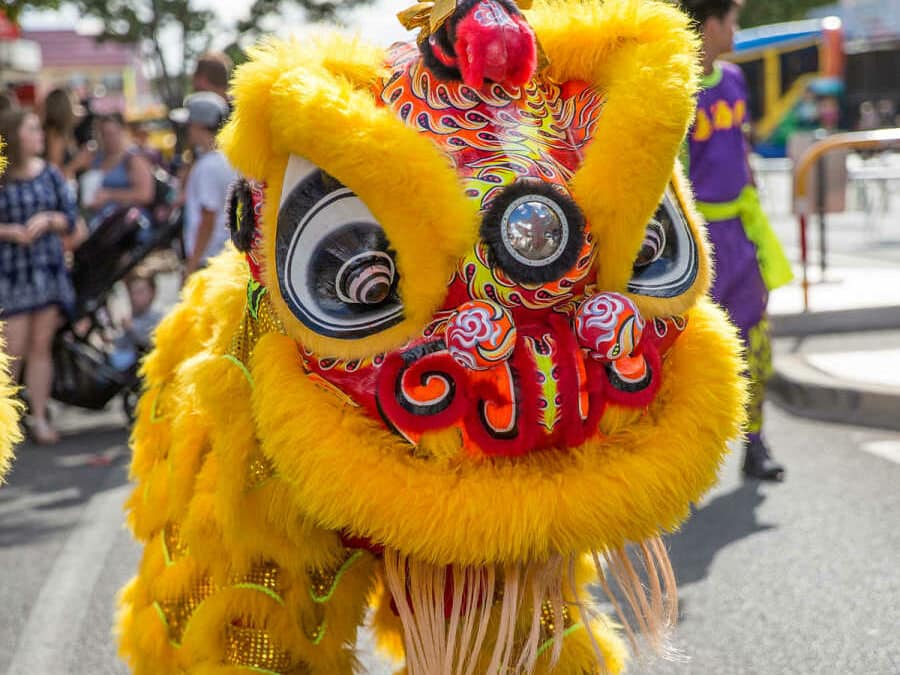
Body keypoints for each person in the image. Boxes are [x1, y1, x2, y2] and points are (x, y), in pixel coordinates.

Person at [679, 0, 792, 481]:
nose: (737, 29)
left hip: (741, 238)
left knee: (757, 343)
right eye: (732, 20)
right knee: (684, 359)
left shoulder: (734, 81)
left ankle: (756, 442)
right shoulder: (672, 89)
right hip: (695, 244)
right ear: (709, 25)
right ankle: (684, 464)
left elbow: (740, 153)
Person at [0, 109, 79, 444]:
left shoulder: (50, 173)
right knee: (12, 350)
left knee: (40, 347)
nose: (40, 135)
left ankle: (40, 417)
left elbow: (71, 218)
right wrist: (8, 232)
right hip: (11, 275)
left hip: (46, 271)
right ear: (15, 135)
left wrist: (48, 220)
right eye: (32, 128)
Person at [174, 92, 235, 278]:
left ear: (199, 125)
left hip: (208, 260)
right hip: (226, 257)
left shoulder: (207, 166)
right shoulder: (230, 160)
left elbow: (207, 219)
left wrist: (191, 266)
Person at [74, 112, 155, 226]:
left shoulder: (133, 159)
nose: (109, 139)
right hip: (99, 222)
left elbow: (146, 194)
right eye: (104, 134)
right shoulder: (95, 158)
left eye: (112, 134)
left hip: (128, 223)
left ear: (122, 131)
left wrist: (109, 195)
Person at [110, 270, 162, 371]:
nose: (136, 297)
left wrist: (132, 327)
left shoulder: (158, 315)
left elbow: (150, 340)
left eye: (141, 291)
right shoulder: (130, 314)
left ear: (152, 292)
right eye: (133, 292)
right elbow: (119, 344)